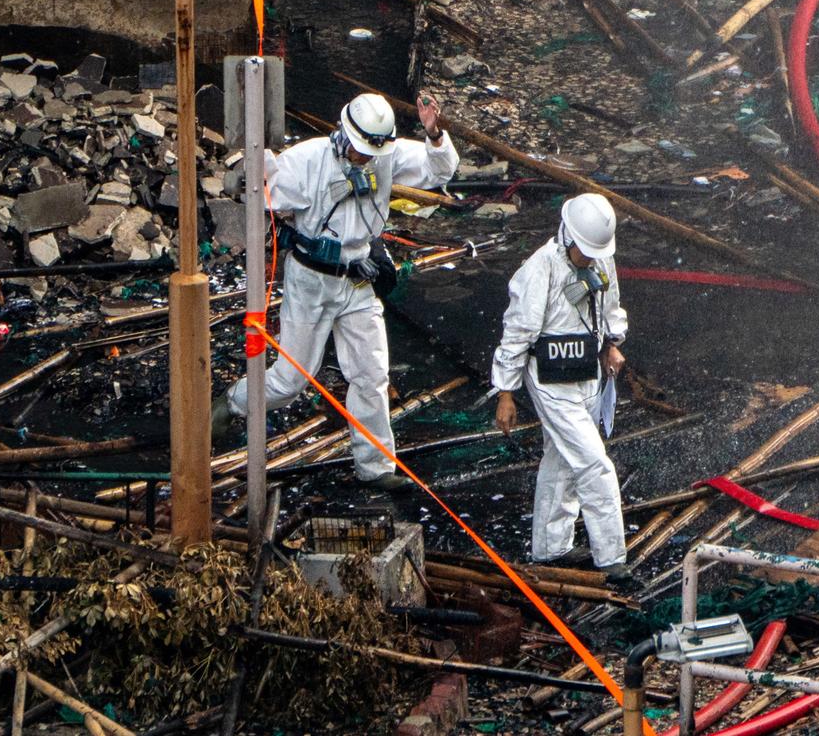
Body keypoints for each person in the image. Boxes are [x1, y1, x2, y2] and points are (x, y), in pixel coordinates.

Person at [221, 91, 458, 490]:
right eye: (361, 152)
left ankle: (377, 468)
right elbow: (260, 193)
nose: (366, 160)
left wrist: (435, 134)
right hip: (311, 280)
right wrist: (256, 162)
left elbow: (437, 172)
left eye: (372, 154)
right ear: (345, 136)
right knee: (292, 379)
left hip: (357, 278)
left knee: (370, 374)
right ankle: (232, 403)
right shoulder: (309, 160)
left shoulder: (387, 156)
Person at [492, 194, 635, 586]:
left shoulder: (600, 258)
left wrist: (612, 343)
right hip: (551, 381)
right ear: (568, 237)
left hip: (587, 373)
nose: (590, 259)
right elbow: (517, 332)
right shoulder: (540, 269)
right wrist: (505, 393)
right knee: (594, 464)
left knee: (561, 461)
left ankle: (550, 547)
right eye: (585, 252)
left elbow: (610, 305)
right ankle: (612, 557)